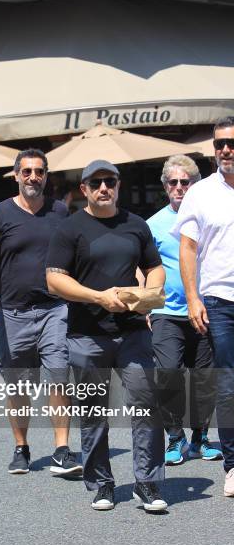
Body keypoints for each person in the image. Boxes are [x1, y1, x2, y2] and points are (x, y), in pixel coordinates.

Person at [46, 159, 167, 512]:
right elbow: (54, 278)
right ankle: (102, 482)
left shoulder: (136, 225)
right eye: (96, 182)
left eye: (109, 182)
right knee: (93, 411)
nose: (104, 188)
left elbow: (154, 268)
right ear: (84, 189)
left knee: (146, 404)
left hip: (132, 333)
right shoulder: (70, 229)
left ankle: (146, 483)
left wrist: (147, 296)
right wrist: (98, 297)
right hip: (87, 335)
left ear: (118, 185)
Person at [0, 148, 82, 477]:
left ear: (46, 176)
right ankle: (21, 447)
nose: (33, 177)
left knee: (59, 377)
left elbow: (76, 252)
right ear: (17, 175)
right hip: (13, 313)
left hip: (54, 309)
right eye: (27, 172)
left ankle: (62, 449)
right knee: (17, 385)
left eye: (39, 172)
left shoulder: (60, 211)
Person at [172, 116, 234, 498]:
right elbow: (188, 248)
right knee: (228, 385)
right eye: (220, 144)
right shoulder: (200, 192)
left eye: (232, 142)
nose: (225, 149)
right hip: (220, 301)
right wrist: (193, 296)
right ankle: (233, 464)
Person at [147, 155, 222, 465]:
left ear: (195, 184)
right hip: (167, 312)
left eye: (185, 182)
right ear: (165, 186)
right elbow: (144, 268)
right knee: (168, 374)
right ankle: (175, 437)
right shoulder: (152, 224)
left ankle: (200, 438)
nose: (179, 187)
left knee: (205, 378)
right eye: (173, 182)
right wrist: (146, 306)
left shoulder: (211, 215)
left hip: (206, 308)